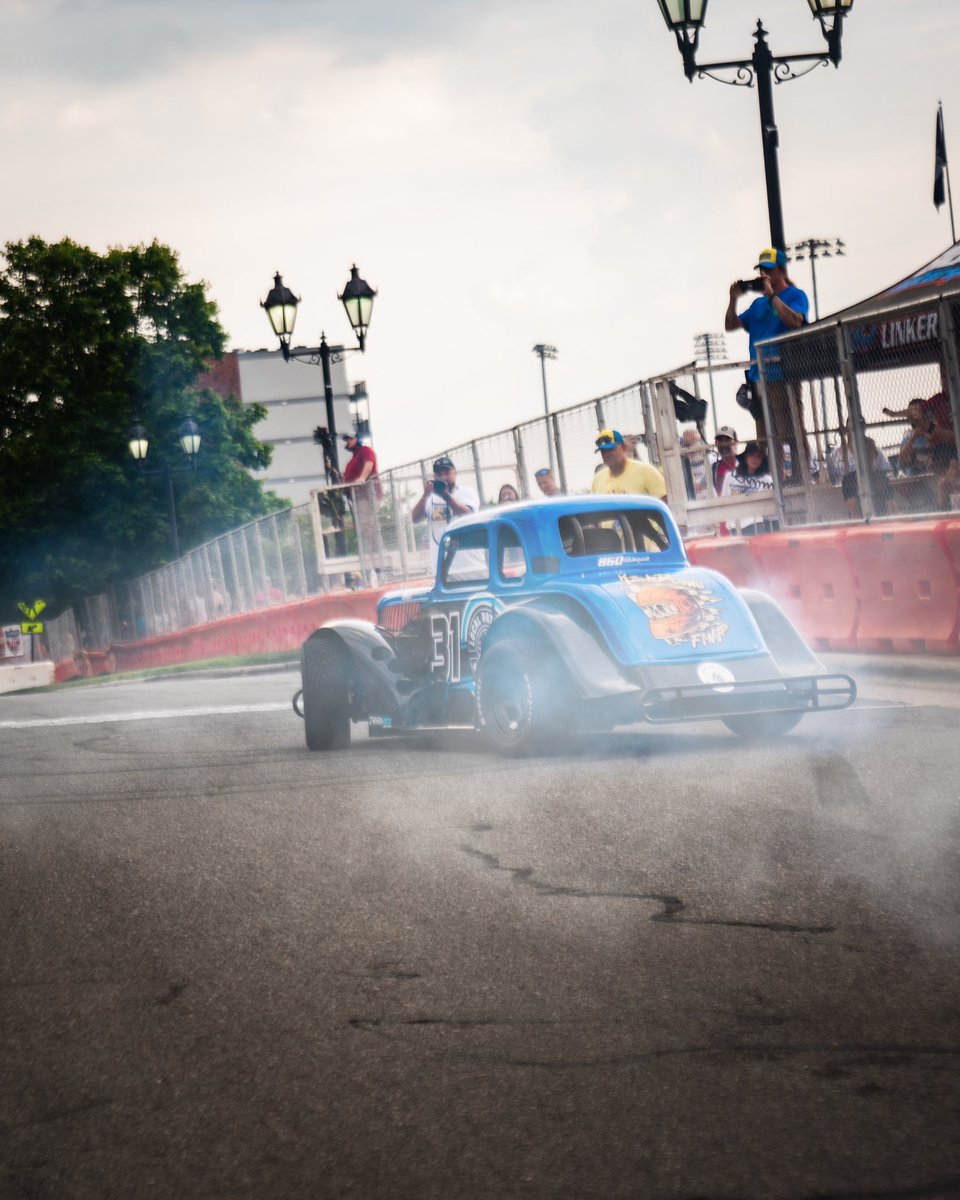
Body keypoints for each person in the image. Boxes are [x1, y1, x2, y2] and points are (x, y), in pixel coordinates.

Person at [725, 247, 809, 478]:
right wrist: (733, 299)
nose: (765, 275)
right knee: (766, 436)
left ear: (781, 270)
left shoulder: (795, 295)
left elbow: (796, 321)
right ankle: (776, 478)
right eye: (762, 271)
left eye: (770, 271)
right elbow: (731, 325)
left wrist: (773, 295)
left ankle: (801, 477)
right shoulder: (757, 304)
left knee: (789, 431)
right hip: (756, 377)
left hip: (781, 373)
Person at [412, 456, 480, 570]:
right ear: (434, 477)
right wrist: (425, 495)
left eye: (447, 473)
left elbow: (469, 514)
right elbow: (415, 518)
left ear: (455, 473)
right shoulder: (431, 499)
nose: (444, 477)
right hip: (443, 570)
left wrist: (446, 496)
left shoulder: (466, 492)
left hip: (471, 565)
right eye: (439, 474)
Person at [342, 431, 383, 585]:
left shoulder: (365, 451)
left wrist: (361, 478)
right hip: (358, 499)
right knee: (365, 532)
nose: (347, 442)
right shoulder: (351, 461)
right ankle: (372, 569)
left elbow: (368, 464)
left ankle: (378, 568)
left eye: (350, 439)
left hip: (367, 495)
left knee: (369, 529)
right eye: (347, 440)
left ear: (357, 439)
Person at [828, 424, 894, 518]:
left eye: (870, 453)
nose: (867, 457)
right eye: (864, 453)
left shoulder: (881, 478)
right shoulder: (850, 479)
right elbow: (853, 512)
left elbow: (891, 507)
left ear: (875, 456)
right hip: (862, 522)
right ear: (856, 455)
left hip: (882, 520)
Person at [720, 441, 778, 536]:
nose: (755, 459)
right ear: (745, 456)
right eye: (752, 455)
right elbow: (723, 500)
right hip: (734, 525)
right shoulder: (730, 476)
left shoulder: (766, 480)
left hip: (755, 524)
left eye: (759, 457)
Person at [591, 429, 667, 499]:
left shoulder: (646, 472)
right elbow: (595, 510)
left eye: (611, 449)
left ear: (624, 448)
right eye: (603, 451)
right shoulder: (598, 480)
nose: (607, 454)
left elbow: (665, 504)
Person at [680, 428, 710, 500]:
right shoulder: (683, 465)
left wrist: (701, 484)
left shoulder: (711, 459)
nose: (691, 449)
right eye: (687, 445)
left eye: (694, 442)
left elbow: (709, 479)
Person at [711, 426, 741, 495]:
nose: (724, 444)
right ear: (716, 443)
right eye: (720, 441)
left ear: (736, 442)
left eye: (727, 440)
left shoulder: (745, 464)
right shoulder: (714, 466)